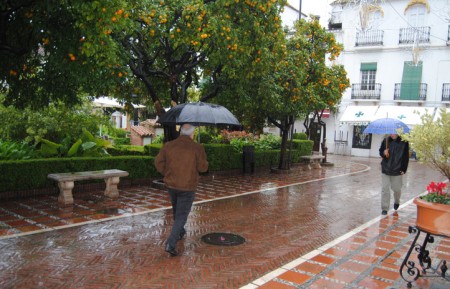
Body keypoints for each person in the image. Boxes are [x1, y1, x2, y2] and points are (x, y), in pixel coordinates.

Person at [155, 124, 208, 256]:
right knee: (181, 215)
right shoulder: (197, 147)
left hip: (171, 185)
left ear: (181, 132)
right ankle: (170, 243)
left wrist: (167, 173)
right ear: (192, 133)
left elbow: (158, 162)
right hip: (188, 186)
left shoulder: (168, 145)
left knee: (176, 210)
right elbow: (203, 168)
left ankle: (180, 231)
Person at [379, 133, 409, 215]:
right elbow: (380, 151)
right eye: (391, 132)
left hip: (397, 170)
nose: (392, 134)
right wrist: (383, 153)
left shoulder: (404, 141)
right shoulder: (386, 140)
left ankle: (396, 201)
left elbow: (406, 156)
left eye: (394, 132)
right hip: (386, 169)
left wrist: (404, 169)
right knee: (385, 189)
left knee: (397, 189)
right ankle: (385, 208)